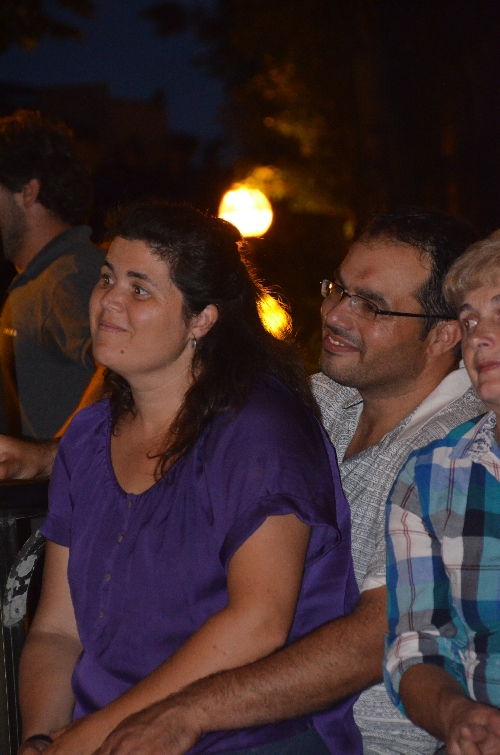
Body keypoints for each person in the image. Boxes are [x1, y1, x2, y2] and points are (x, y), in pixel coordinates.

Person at [94, 208, 486, 755]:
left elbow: (374, 636)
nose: (335, 313)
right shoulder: (325, 397)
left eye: (370, 305)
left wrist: (185, 712)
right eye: (338, 289)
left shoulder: (462, 449)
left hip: (366, 740)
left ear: (442, 335)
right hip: (254, 717)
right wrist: (46, 458)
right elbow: (182, 432)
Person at [19, 201, 361, 755]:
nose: (109, 301)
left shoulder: (259, 432)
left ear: (202, 320)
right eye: (107, 278)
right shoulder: (86, 438)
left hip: (242, 736)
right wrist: (41, 735)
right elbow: (57, 630)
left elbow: (257, 623)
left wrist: (91, 736)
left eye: (140, 289)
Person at [385, 231, 500, 755]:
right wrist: (458, 715)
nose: (479, 338)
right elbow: (417, 644)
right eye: (470, 321)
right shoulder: (432, 476)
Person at [0, 108, 103, 440]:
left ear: (27, 192)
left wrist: (54, 455)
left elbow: (128, 369)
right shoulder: (41, 279)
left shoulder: (70, 277)